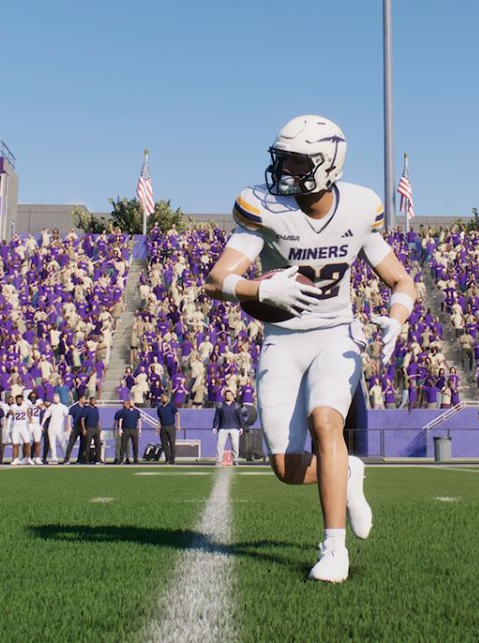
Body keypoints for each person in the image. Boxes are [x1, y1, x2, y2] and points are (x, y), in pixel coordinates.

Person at [202, 115, 418, 583]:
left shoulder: (360, 207)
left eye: (298, 161)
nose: (285, 170)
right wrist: (261, 292)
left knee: (326, 421)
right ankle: (348, 472)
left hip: (336, 333)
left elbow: (402, 280)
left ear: (329, 164)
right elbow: (217, 280)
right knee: (284, 466)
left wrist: (397, 319)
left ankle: (334, 549)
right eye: (283, 159)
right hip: (283, 338)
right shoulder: (265, 207)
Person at [212, 397, 243, 462]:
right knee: (220, 445)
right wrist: (214, 426)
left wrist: (241, 427)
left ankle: (235, 460)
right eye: (227, 395)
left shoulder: (236, 405)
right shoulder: (220, 405)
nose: (228, 396)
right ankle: (219, 460)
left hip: (234, 428)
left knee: (235, 445)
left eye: (229, 395)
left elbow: (240, 416)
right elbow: (217, 416)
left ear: (232, 396)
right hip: (223, 427)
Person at [42, 395, 70, 464]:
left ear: (59, 398)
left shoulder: (63, 407)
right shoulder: (51, 407)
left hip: (60, 428)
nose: (55, 399)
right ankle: (54, 458)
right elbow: (45, 416)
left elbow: (68, 416)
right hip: (51, 427)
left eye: (56, 398)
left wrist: (68, 425)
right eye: (54, 398)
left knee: (62, 443)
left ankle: (66, 458)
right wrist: (41, 425)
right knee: (52, 444)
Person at [153, 393, 179, 465]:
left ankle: (172, 460)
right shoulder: (159, 408)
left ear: (167, 398)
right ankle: (167, 459)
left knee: (172, 444)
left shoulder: (171, 406)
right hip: (163, 427)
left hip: (171, 426)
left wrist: (178, 425)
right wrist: (157, 428)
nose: (163, 399)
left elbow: (177, 414)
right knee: (164, 444)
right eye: (162, 398)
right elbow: (159, 419)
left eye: (165, 398)